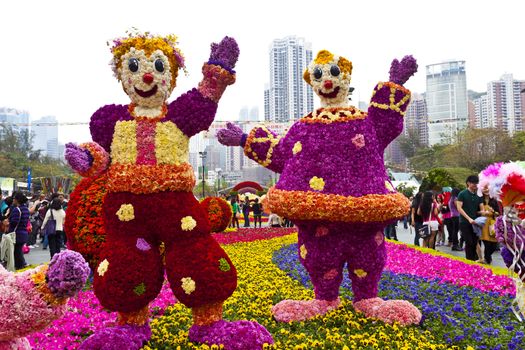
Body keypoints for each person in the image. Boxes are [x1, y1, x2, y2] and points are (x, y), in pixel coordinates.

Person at [456, 175, 483, 261]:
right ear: (468, 183)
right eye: (473, 183)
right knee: (469, 242)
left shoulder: (478, 195)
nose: (475, 184)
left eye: (476, 183)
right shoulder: (462, 194)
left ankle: (474, 261)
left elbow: (481, 209)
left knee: (475, 242)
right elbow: (459, 208)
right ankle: (469, 261)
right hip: (464, 222)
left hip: (476, 222)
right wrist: (468, 218)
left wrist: (484, 212)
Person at [477, 185, 499, 264]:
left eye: (487, 188)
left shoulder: (494, 201)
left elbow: (498, 213)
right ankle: (487, 259)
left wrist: (493, 211)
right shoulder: (479, 200)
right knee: (486, 242)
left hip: (491, 224)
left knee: (494, 244)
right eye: (484, 188)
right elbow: (476, 212)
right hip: (482, 223)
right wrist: (482, 212)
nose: (486, 190)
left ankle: (487, 257)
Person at [8, 192, 30, 270]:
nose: (13, 200)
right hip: (24, 233)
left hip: (17, 233)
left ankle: (20, 267)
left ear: (17, 200)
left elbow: (14, 222)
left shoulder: (17, 209)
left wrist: (8, 225)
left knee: (16, 252)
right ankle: (21, 265)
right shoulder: (26, 209)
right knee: (19, 250)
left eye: (14, 198)